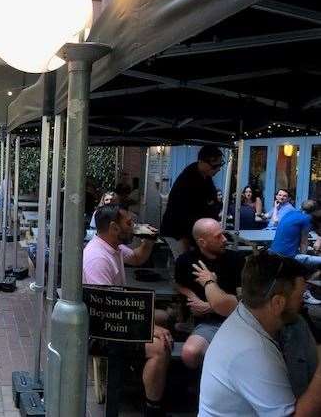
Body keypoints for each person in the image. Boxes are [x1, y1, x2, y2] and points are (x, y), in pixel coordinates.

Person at [199, 251, 321, 416]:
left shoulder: (246, 314)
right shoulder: (253, 351)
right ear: (278, 303)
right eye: (300, 297)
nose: (303, 303)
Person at [83, 204, 172, 417]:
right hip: (103, 332)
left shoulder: (112, 246)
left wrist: (148, 241)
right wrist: (150, 329)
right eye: (129, 223)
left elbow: (137, 258)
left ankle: (143, 374)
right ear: (114, 227)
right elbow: (107, 309)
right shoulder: (98, 258)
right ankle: (152, 407)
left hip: (119, 317)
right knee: (160, 348)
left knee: (165, 317)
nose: (133, 227)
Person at [175, 218, 244, 369]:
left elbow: (244, 299)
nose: (225, 239)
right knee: (190, 353)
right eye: (218, 236)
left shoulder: (236, 260)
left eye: (223, 234)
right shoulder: (185, 261)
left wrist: (211, 306)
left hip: (236, 321)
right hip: (208, 323)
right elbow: (178, 284)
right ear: (202, 242)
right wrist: (191, 296)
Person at [161, 146, 224, 254]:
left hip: (191, 230)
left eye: (220, 165)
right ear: (201, 162)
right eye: (215, 165)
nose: (218, 169)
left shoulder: (206, 177)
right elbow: (183, 213)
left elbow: (213, 203)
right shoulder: (189, 180)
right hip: (179, 232)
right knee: (184, 263)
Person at [270, 200, 321, 271]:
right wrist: (303, 264)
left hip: (273, 252)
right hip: (288, 257)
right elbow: (304, 242)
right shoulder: (307, 218)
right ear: (314, 211)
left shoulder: (290, 213)